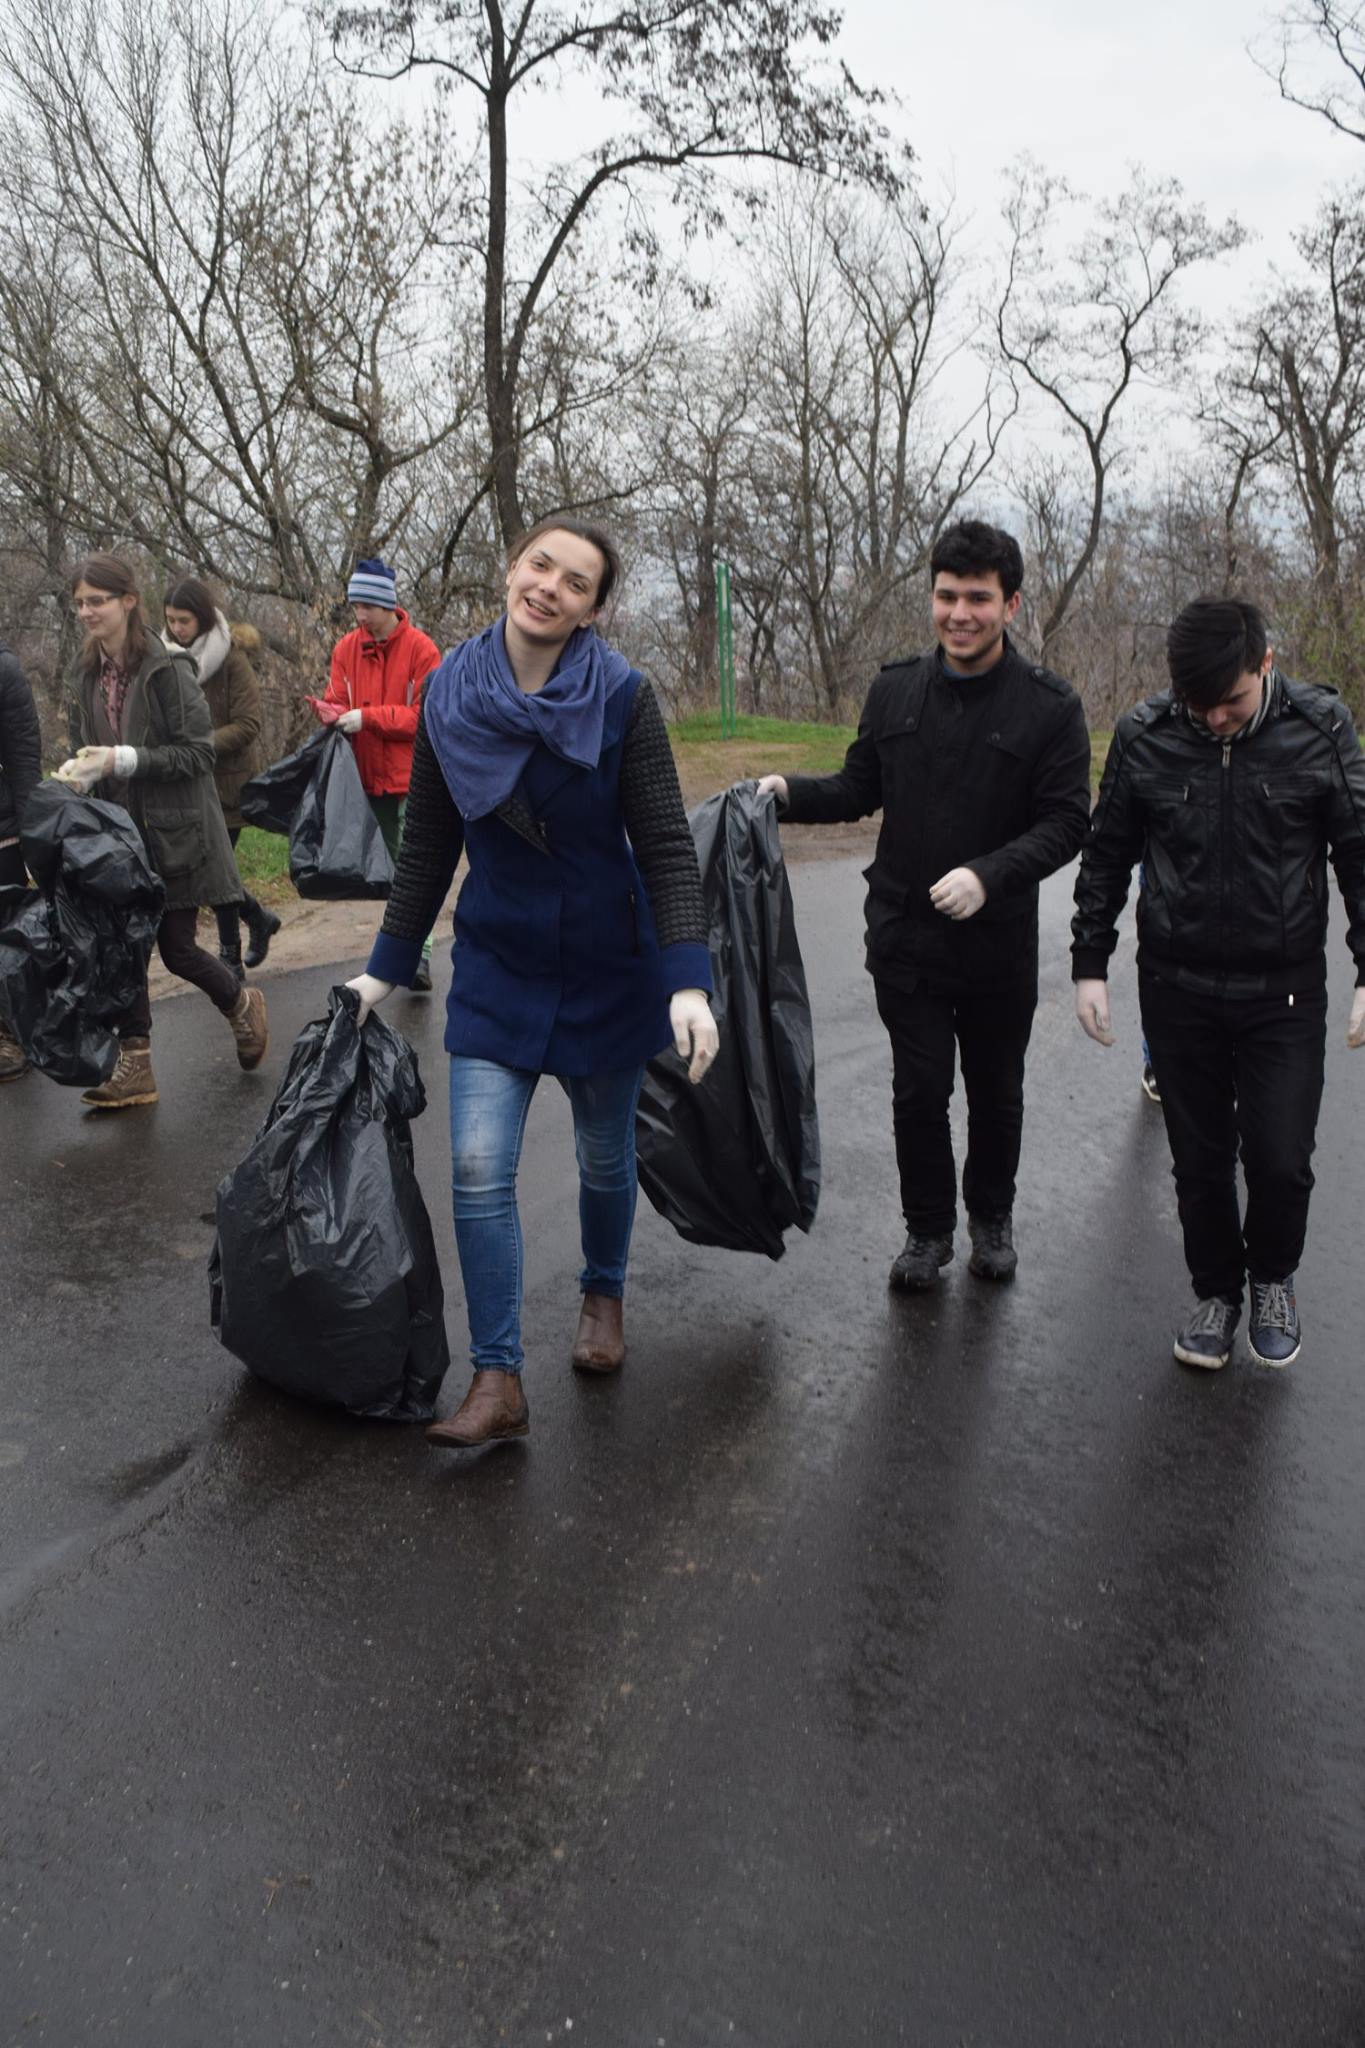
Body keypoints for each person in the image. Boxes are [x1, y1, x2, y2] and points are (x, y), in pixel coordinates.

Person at [346, 518, 719, 1449]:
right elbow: (428, 848)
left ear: (593, 608)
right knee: (476, 1167)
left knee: (604, 1157)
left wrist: (685, 978)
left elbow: (667, 845)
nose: (549, 586)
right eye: (539, 564)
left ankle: (603, 1293)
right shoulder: (446, 696)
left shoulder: (622, 698)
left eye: (575, 581)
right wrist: (384, 973)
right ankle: (497, 1375)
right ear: (513, 568)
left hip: (606, 967)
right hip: (500, 964)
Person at [756, 519, 1092, 1290]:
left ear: (1010, 605)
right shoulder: (894, 687)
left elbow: (1067, 820)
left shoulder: (1050, 707)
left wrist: (989, 875)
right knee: (918, 1089)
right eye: (946, 596)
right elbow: (856, 788)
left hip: (994, 946)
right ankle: (927, 1231)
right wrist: (784, 794)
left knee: (995, 1092)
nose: (959, 614)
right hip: (903, 937)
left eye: (978, 598)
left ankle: (991, 1219)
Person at [1073, 596, 1365, 1370]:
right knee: (1198, 1160)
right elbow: (1106, 856)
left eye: (1230, 702)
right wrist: (1088, 963)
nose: (1213, 721)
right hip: (1178, 987)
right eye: (1196, 706)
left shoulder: (1321, 728)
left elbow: (1357, 852)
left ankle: (1271, 1276)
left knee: (1277, 1158)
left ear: (1264, 666)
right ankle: (1216, 1292)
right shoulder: (1145, 734)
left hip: (1285, 992)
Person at [57, 554, 269, 1109]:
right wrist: (80, 775)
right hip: (118, 841)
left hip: (175, 836)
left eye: (96, 601)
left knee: (176, 950)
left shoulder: (168, 668)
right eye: (79, 602)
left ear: (128, 602)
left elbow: (198, 753)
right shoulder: (84, 674)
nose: (86, 612)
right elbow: (86, 745)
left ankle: (241, 1004)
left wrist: (122, 760)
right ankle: (137, 1067)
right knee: (124, 950)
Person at [321, 557, 440, 989]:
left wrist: (366, 718)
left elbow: (424, 717)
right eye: (355, 607)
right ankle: (400, 950)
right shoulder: (346, 649)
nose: (359, 615)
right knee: (388, 871)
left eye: (365, 606)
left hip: (412, 779)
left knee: (413, 870)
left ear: (386, 604)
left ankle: (420, 957)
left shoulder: (422, 650)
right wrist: (328, 712)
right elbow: (335, 697)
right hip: (364, 778)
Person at [163, 576, 280, 978]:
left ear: (202, 619)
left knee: (217, 868)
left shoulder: (231, 659)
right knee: (208, 868)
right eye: (171, 621)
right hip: (183, 784)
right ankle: (259, 918)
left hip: (227, 784)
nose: (177, 629)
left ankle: (230, 953)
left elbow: (249, 724)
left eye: (184, 621)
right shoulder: (164, 658)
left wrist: (198, 745)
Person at [0, 636, 42, 1082]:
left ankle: (12, 1036)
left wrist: (35, 842)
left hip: (3, 836)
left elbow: (24, 762)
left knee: (6, 944)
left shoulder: (5, 672)